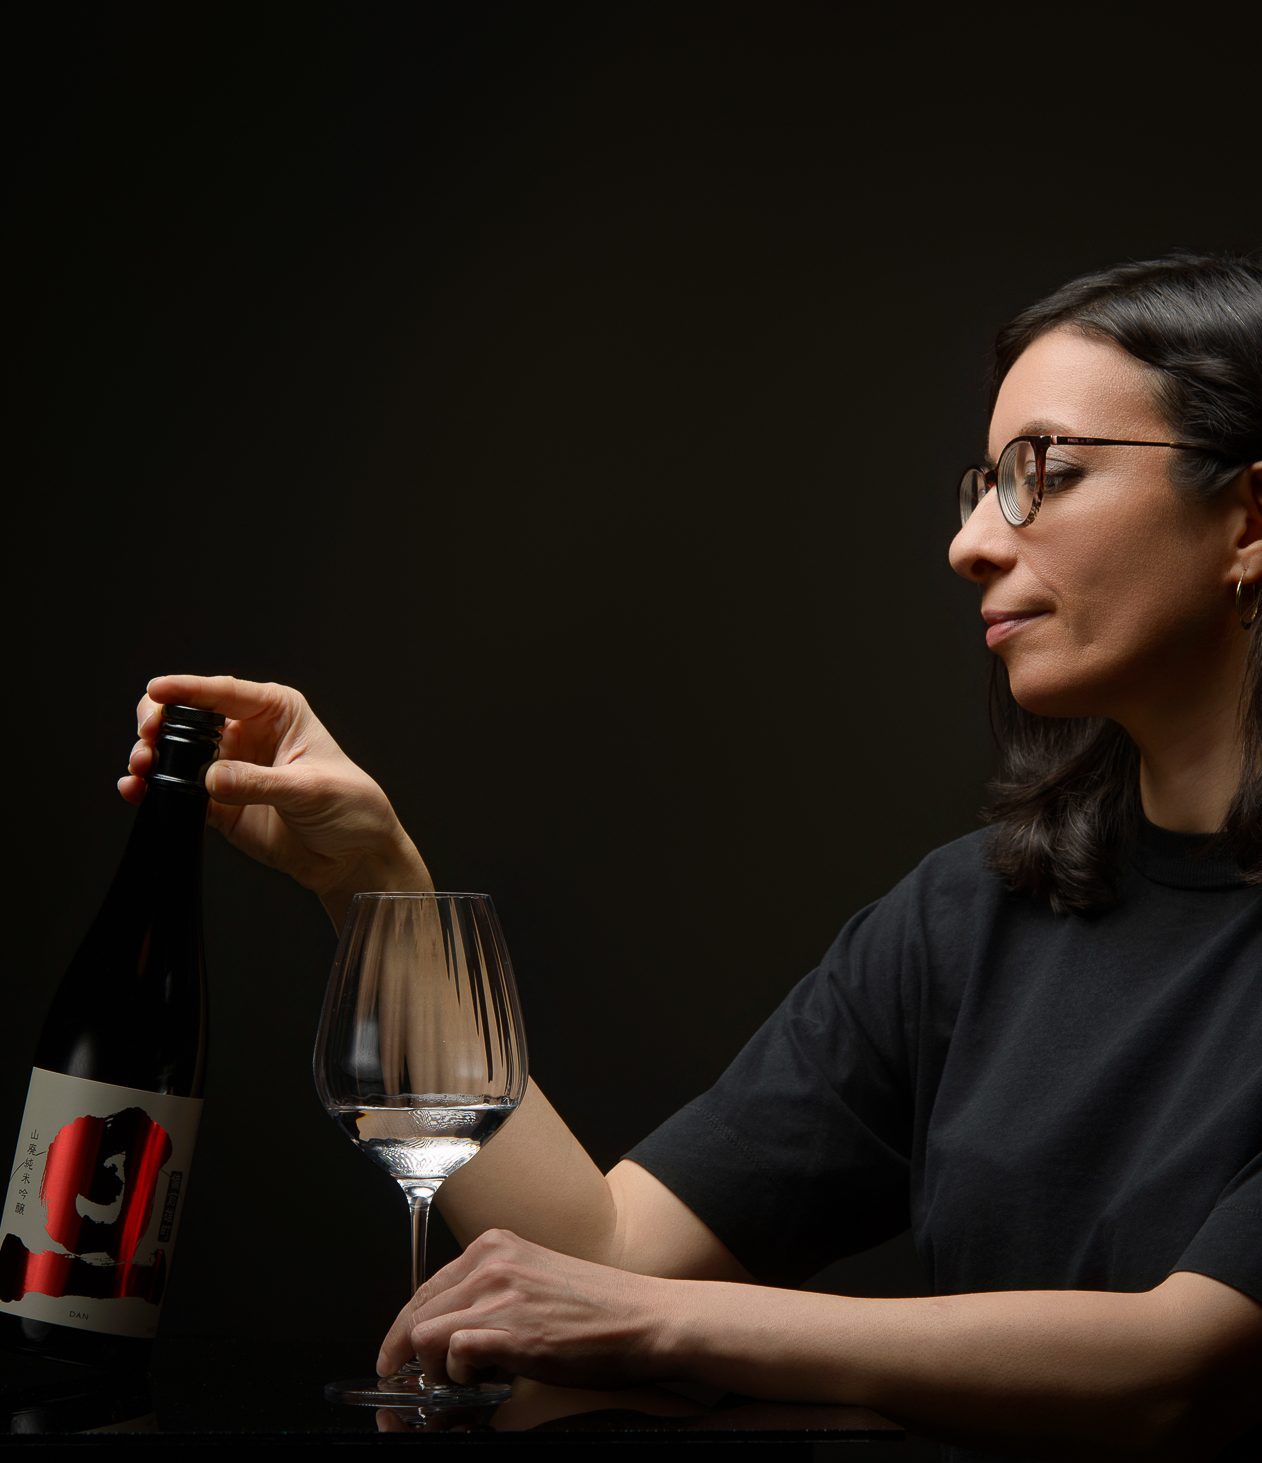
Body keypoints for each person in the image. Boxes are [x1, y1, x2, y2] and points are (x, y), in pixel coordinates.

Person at [121, 253, 1262, 1461]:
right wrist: (376, 890)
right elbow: (597, 1260)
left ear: (1246, 517)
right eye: (981, 485)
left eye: (1044, 472)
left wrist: (666, 1323)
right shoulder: (968, 916)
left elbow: (1180, 1363)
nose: (969, 543)